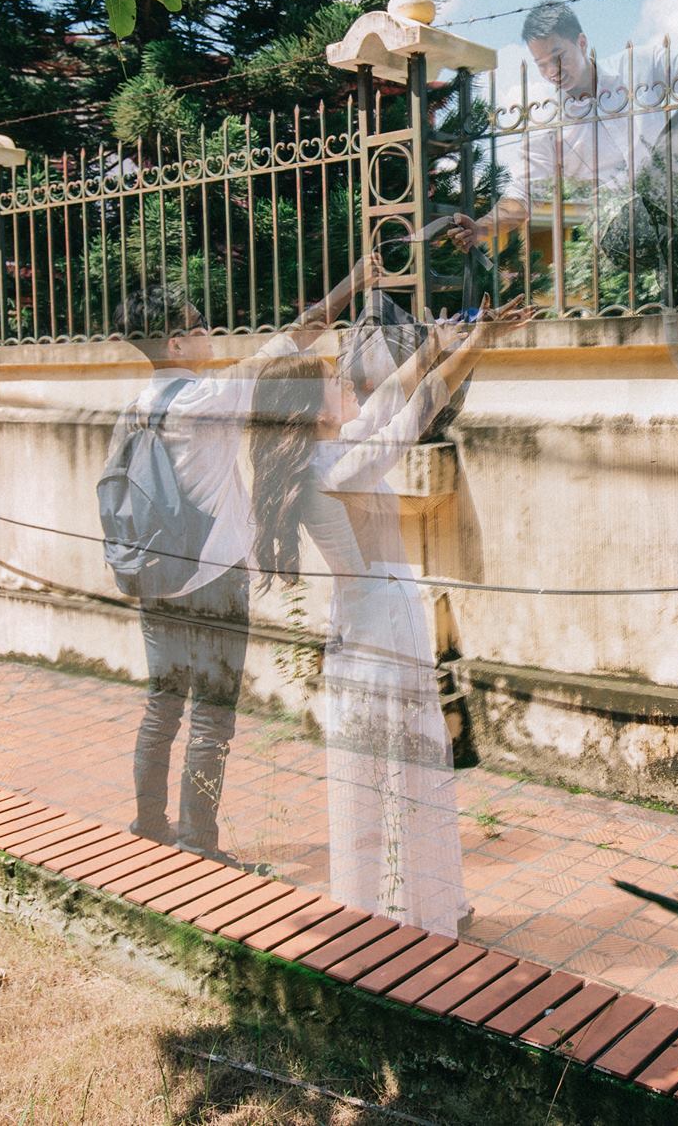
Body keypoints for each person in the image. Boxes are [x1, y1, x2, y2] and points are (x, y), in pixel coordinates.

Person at [249, 296, 527, 936]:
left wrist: (435, 345)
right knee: (406, 773)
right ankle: (410, 916)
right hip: (382, 632)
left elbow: (396, 395)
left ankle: (404, 907)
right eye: (333, 381)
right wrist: (478, 341)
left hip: (369, 627)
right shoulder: (336, 469)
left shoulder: (327, 456)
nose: (347, 383)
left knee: (388, 773)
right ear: (313, 410)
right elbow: (414, 410)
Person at [109, 259, 375, 860]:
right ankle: (198, 843)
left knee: (161, 705)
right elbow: (295, 337)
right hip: (213, 580)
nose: (208, 331)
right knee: (211, 718)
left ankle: (149, 823)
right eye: (196, 325)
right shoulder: (208, 398)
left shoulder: (134, 408)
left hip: (153, 576)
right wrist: (353, 284)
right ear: (176, 343)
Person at [457, 0, 678, 308]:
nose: (552, 72)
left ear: (582, 43)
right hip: (623, 225)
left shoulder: (638, 66)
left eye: (558, 57)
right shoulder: (547, 121)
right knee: (656, 187)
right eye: (541, 64)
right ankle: (676, 280)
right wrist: (483, 227)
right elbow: (521, 196)